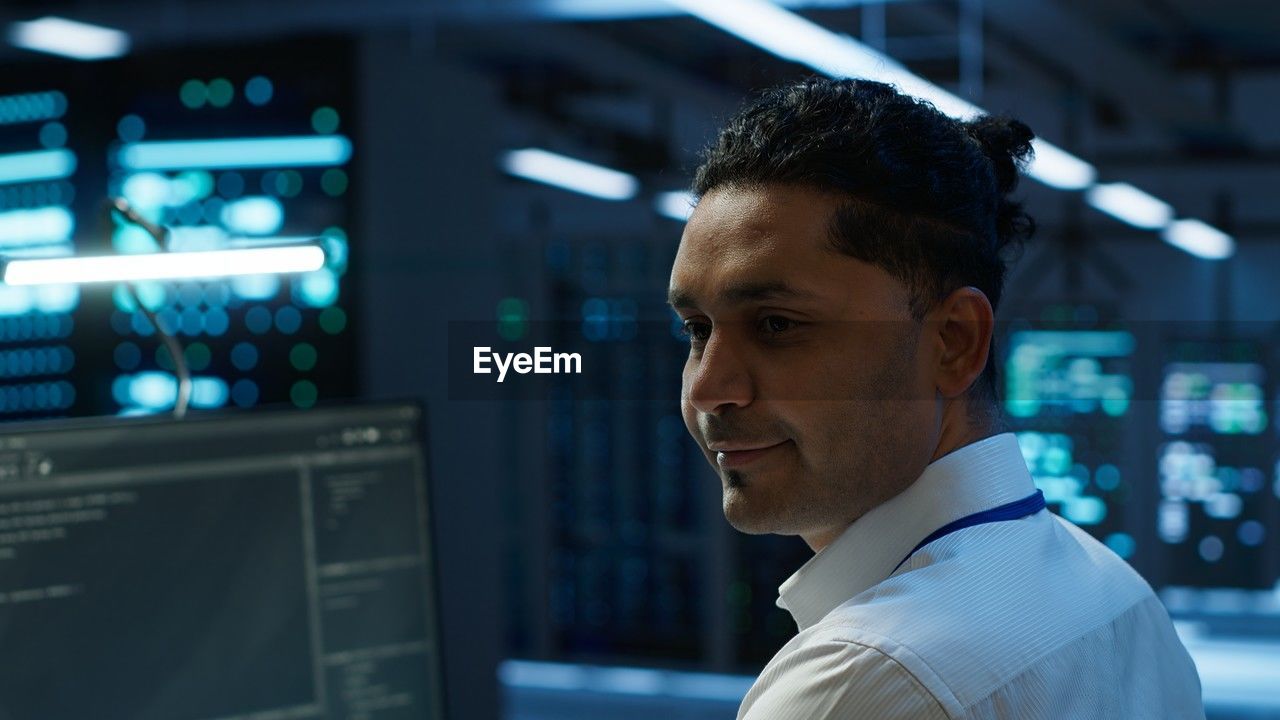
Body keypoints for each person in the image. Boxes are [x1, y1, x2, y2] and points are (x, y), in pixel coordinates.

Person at [666, 77, 1204, 719]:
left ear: (952, 341)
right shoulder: (1119, 596)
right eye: (697, 330)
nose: (708, 388)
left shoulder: (870, 677)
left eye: (777, 325)